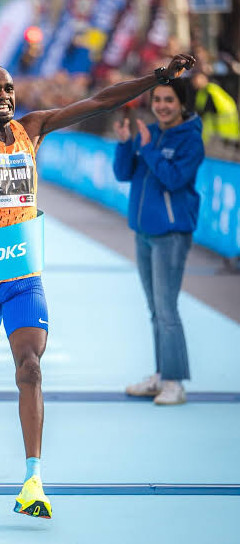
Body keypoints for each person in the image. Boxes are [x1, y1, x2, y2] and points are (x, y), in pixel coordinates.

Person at [0, 42, 195, 519]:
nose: (3, 95)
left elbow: (100, 101)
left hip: (23, 275)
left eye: (8, 88)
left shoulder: (34, 129)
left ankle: (32, 481)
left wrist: (158, 77)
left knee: (30, 368)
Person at [112, 78, 204, 406]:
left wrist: (149, 148)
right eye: (157, 100)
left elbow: (174, 179)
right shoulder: (149, 133)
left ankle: (175, 382)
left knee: (166, 310)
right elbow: (124, 174)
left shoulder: (190, 140)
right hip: (144, 233)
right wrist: (126, 144)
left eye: (169, 100)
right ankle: (162, 374)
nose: (162, 106)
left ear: (182, 104)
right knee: (155, 310)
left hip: (171, 235)